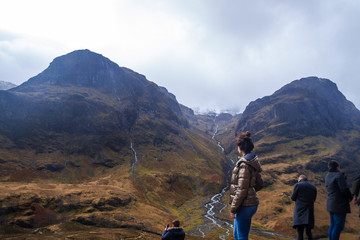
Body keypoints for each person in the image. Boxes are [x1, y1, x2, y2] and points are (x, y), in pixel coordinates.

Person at [229, 131, 263, 240]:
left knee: (242, 237)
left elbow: (242, 189)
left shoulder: (244, 164)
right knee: (237, 235)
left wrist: (233, 209)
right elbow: (260, 184)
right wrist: (251, 191)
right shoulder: (252, 162)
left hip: (245, 206)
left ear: (240, 147)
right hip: (249, 205)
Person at [325, 160, 352, 240]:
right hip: (339, 205)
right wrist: (350, 198)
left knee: (333, 224)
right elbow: (344, 189)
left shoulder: (327, 176)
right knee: (338, 225)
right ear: (337, 167)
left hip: (330, 204)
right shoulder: (338, 175)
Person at [291, 174, 317, 240]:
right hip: (309, 211)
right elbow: (314, 199)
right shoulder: (313, 187)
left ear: (299, 179)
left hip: (300, 211)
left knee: (300, 231)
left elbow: (293, 198)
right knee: (309, 232)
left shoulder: (298, 185)